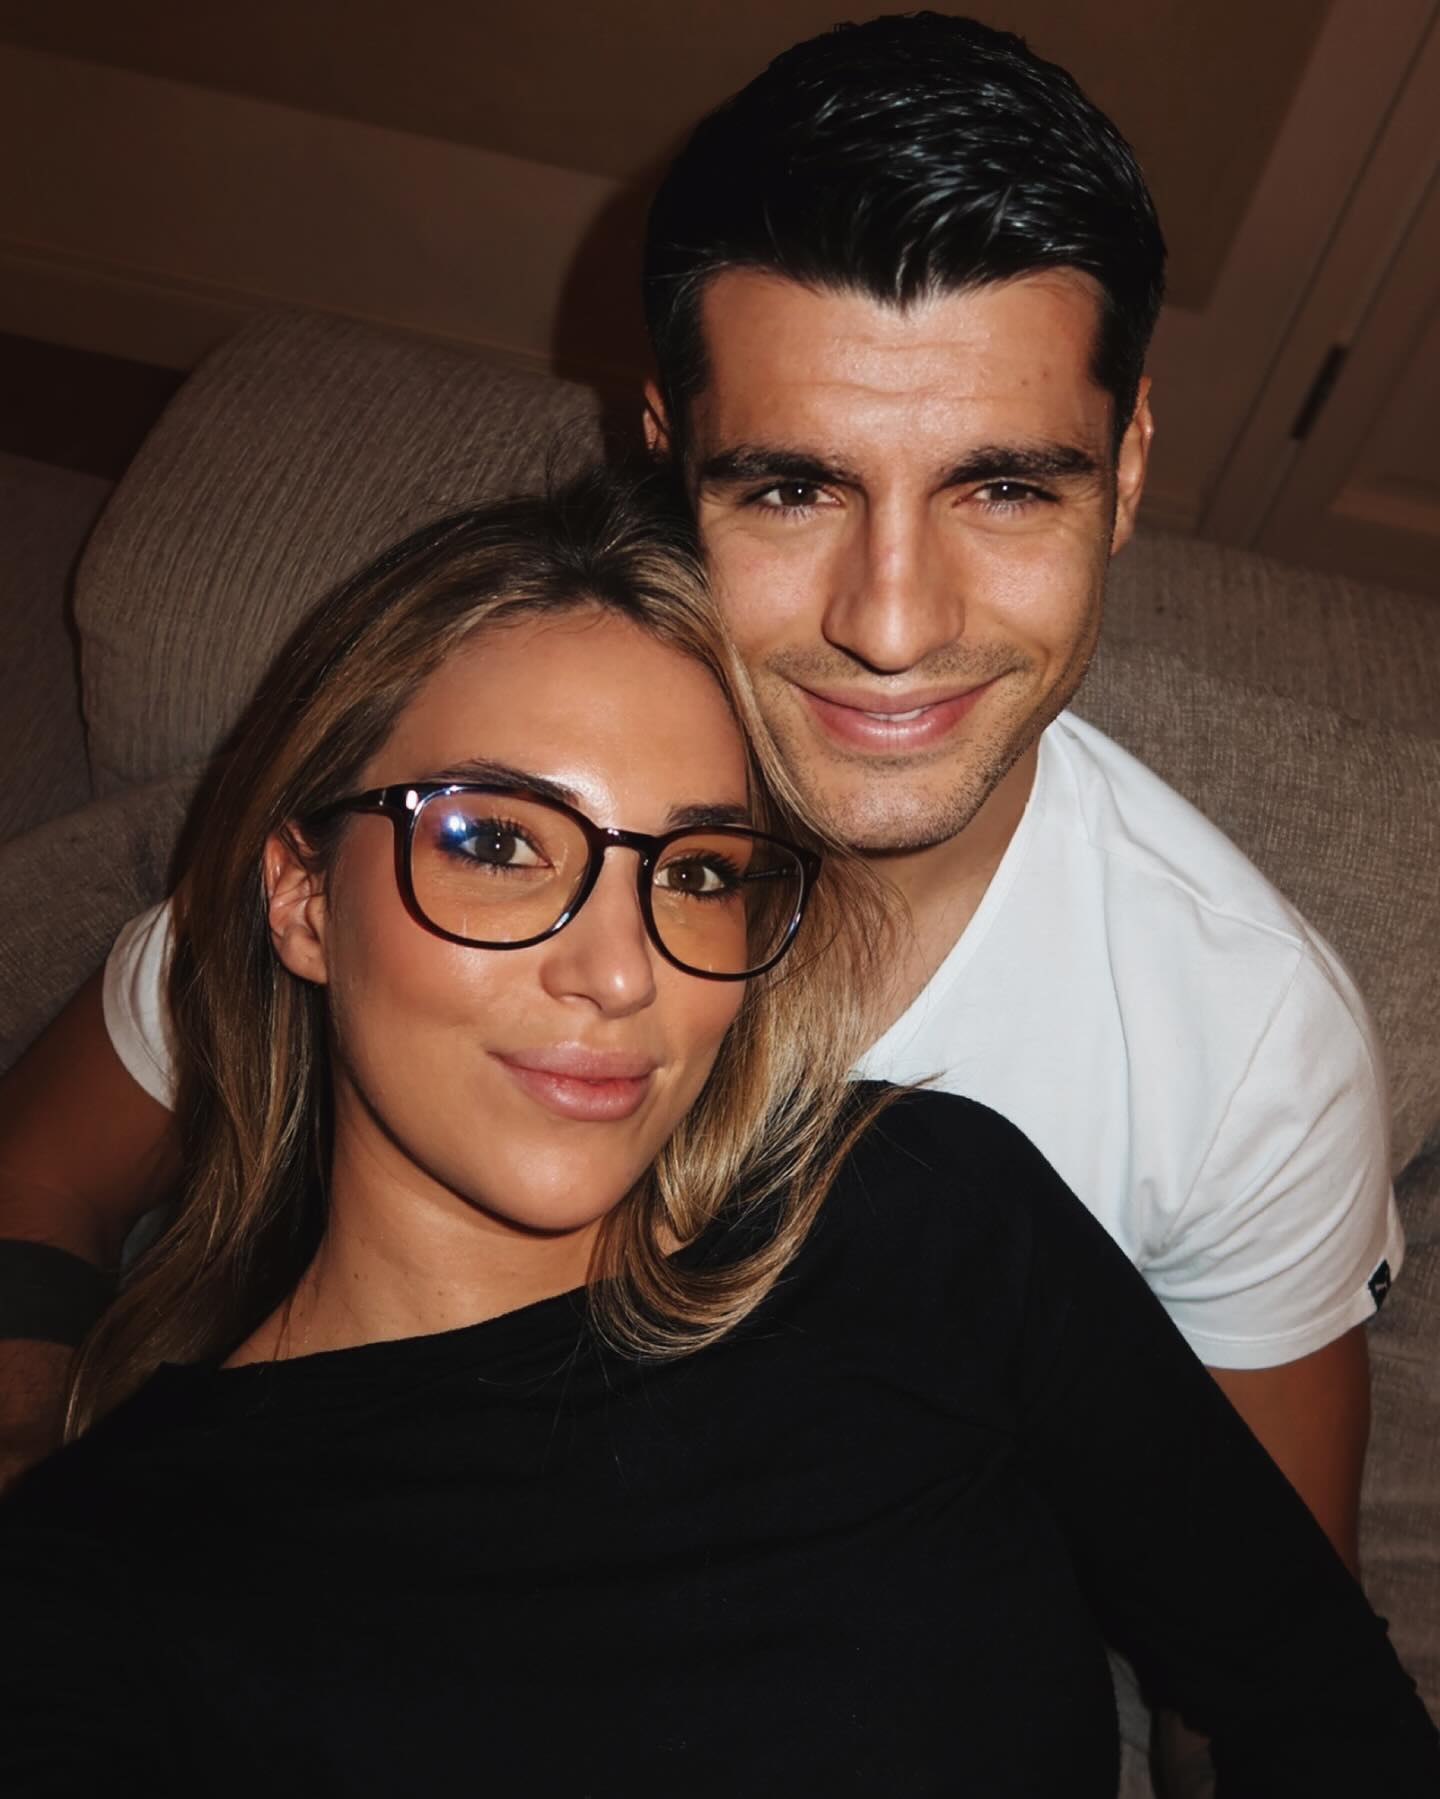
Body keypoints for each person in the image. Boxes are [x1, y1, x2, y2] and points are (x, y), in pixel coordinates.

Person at [0, 13, 1395, 1583]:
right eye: (792, 487)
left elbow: (1279, 1621)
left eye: (1004, 486)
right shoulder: (461, 823)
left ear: (1126, 469)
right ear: (669, 455)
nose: (891, 623)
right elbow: (46, 1171)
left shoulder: (1244, 1053)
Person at [2, 469, 1435, 1796]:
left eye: (692, 872)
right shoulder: (100, 1593)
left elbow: (1313, 1702)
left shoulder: (925, 1217)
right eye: (497, 843)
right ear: (304, 900)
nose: (620, 971)